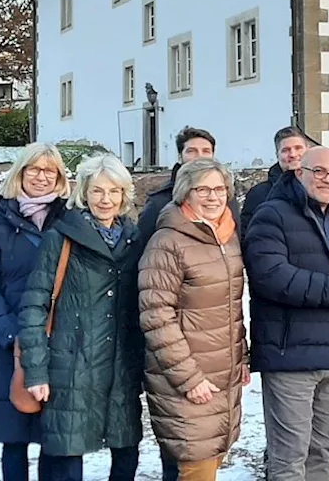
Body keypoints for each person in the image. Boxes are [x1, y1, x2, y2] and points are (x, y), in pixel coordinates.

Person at [246, 146, 329, 481]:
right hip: (290, 354)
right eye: (319, 171)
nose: (328, 180)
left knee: (323, 453)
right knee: (290, 457)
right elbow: (268, 274)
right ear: (299, 172)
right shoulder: (272, 215)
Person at [18, 154, 145, 480]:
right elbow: (34, 306)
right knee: (64, 457)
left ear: (124, 195)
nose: (106, 200)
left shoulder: (134, 239)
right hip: (71, 365)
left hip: (121, 367)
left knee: (126, 452)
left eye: (114, 192)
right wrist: (36, 371)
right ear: (84, 193)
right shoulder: (62, 237)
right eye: (98, 191)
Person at [136, 126, 241, 481]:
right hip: (187, 377)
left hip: (222, 375)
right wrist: (188, 378)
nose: (212, 197)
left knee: (209, 461)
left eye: (218, 189)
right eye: (202, 190)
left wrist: (241, 358)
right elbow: (156, 317)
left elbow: (231, 308)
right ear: (185, 193)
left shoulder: (226, 238)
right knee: (194, 465)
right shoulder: (168, 241)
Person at [0, 143, 71, 481]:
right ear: (21, 172)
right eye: (34, 169)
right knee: (14, 437)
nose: (41, 177)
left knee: (53, 435)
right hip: (8, 341)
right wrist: (13, 335)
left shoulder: (69, 219)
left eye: (49, 171)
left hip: (57, 339)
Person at [138, 126, 242, 249]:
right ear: (179, 156)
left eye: (206, 151)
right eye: (191, 151)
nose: (199, 156)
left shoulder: (225, 198)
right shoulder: (159, 202)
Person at [241, 126, 309, 236]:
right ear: (277, 155)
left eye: (298, 148)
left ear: (308, 150)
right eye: (285, 150)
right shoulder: (259, 194)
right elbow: (246, 234)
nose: (292, 154)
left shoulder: (319, 189)